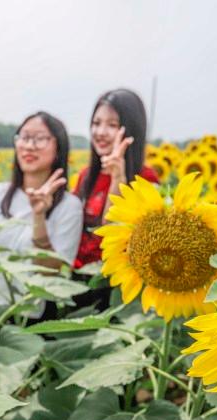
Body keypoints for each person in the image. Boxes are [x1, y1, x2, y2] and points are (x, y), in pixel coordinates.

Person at [0, 111, 83, 321]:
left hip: (35, 316)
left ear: (58, 148)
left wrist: (39, 217)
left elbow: (52, 274)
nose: (29, 146)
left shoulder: (69, 207)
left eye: (39, 139)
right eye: (24, 137)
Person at [72, 89, 159, 310]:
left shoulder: (146, 179)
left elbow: (115, 237)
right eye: (96, 122)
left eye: (112, 125)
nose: (100, 132)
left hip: (115, 287)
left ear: (131, 131)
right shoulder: (86, 176)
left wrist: (117, 179)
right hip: (77, 281)